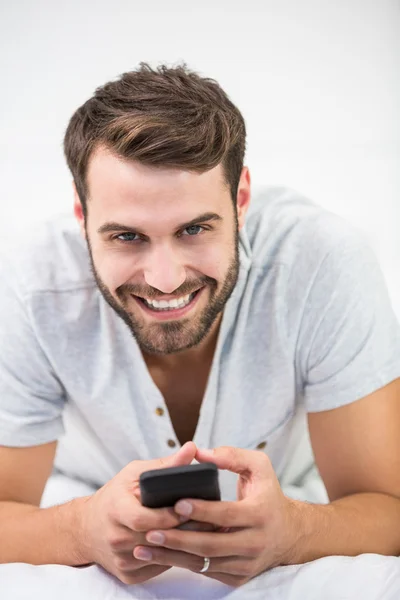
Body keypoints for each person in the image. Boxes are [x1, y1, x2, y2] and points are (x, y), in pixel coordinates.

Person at [0, 62, 399, 589]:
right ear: (81, 215)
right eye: (126, 237)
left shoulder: (322, 260)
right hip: (83, 479)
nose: (165, 281)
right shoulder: (31, 284)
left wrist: (296, 531)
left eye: (193, 229)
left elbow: (387, 508)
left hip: (293, 478)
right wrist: (80, 528)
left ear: (240, 200)